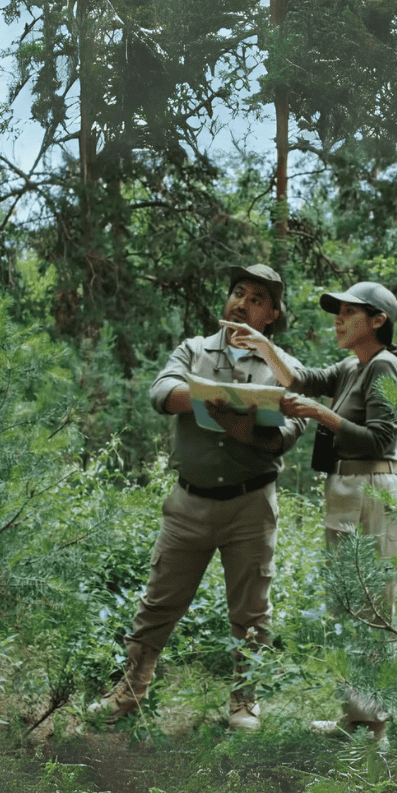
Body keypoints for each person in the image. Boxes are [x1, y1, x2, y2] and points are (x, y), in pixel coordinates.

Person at [89, 264, 306, 732]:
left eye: (255, 299)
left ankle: (244, 701)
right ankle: (129, 690)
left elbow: (294, 425)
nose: (241, 303)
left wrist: (250, 428)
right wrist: (208, 400)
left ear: (270, 315)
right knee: (158, 601)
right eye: (237, 292)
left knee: (251, 609)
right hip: (189, 503)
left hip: (252, 504)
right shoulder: (193, 350)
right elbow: (162, 391)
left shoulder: (281, 365)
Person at [223, 281, 397, 741]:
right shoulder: (352, 366)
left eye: (348, 312)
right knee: (346, 604)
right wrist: (266, 346)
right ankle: (356, 716)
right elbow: (301, 380)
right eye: (337, 312)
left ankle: (376, 726)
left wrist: (320, 414)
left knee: (371, 608)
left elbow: (381, 438)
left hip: (375, 486)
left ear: (378, 320)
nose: (338, 320)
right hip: (348, 488)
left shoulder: (384, 366)